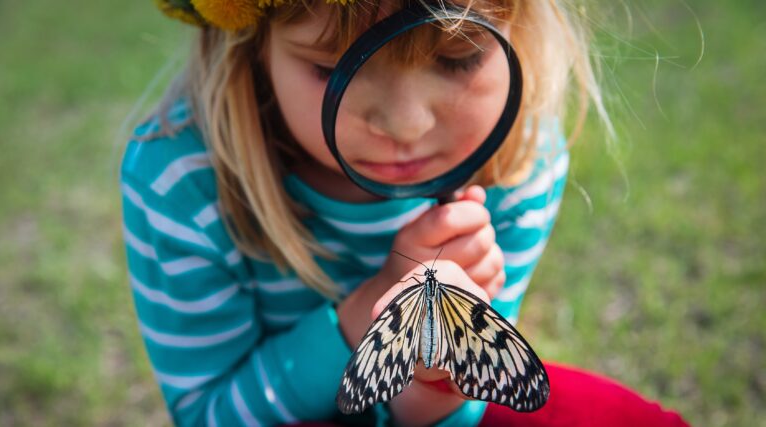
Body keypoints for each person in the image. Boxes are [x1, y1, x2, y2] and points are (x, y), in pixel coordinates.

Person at [121, 0, 690, 425]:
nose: (407, 125)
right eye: (330, 69)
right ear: (251, 47)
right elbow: (208, 416)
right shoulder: (180, 181)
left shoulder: (519, 162)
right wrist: (365, 314)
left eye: (459, 58)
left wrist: (435, 377)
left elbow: (466, 406)